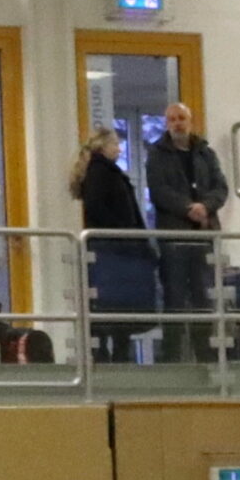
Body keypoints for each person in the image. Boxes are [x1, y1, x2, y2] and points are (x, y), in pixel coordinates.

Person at [146, 102, 228, 362]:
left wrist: (205, 207)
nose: (177, 124)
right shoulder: (157, 154)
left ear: (190, 121)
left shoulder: (206, 153)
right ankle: (172, 360)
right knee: (175, 298)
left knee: (204, 297)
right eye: (172, 119)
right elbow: (158, 191)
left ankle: (206, 357)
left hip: (204, 236)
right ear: (166, 123)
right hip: (174, 239)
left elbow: (221, 187)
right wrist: (187, 208)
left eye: (181, 118)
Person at [73, 129, 154, 363]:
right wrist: (123, 232)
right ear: (103, 146)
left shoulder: (104, 172)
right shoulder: (101, 172)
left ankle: (113, 351)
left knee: (114, 302)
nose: (119, 149)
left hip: (114, 249)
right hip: (113, 250)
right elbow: (98, 207)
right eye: (115, 144)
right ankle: (110, 353)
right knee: (114, 301)